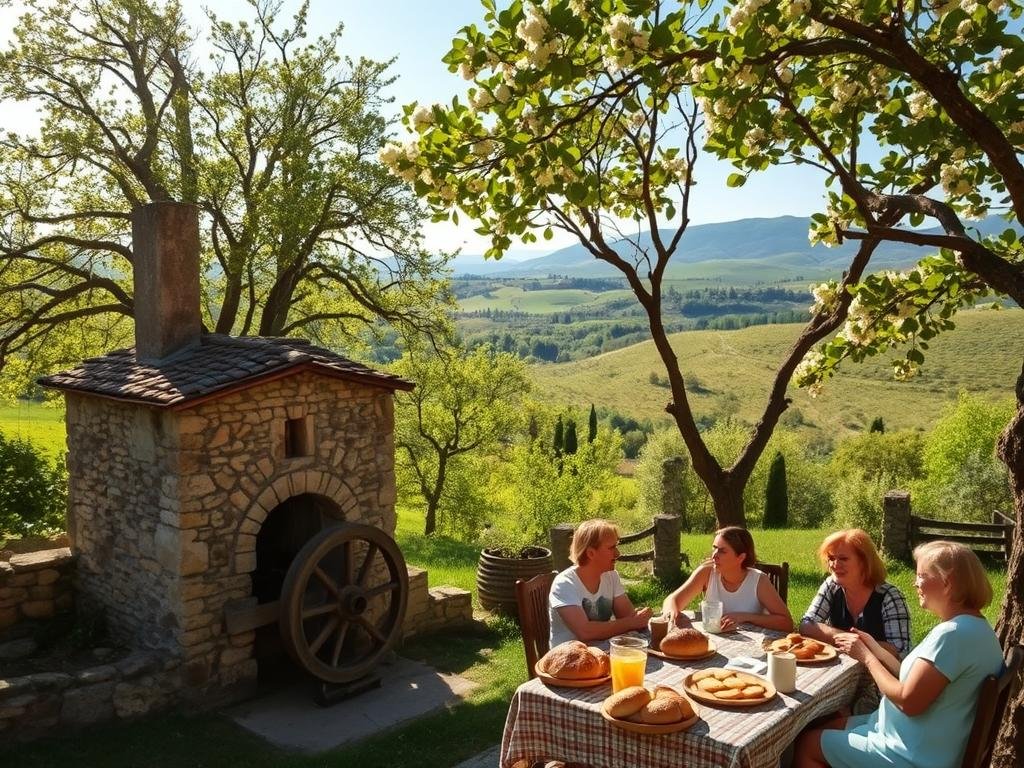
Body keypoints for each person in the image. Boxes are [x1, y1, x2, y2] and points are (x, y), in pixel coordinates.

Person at [795, 541, 1004, 768]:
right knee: (827, 724)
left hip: (910, 754)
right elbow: (916, 681)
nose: (915, 583)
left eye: (922, 575)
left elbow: (907, 702)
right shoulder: (976, 628)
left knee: (808, 744)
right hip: (911, 735)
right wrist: (873, 646)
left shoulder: (953, 636)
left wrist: (867, 658)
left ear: (946, 582)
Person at [800, 529, 911, 659]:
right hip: (839, 668)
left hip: (879, 676)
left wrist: (854, 644)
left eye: (843, 559)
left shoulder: (889, 597)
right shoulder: (831, 585)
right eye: (831, 558)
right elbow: (806, 625)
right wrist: (846, 638)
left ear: (864, 562)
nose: (834, 565)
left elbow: (900, 652)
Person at [660, 526, 793, 632]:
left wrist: (745, 617)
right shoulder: (707, 572)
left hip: (748, 649)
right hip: (713, 642)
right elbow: (672, 600)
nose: (714, 556)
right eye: (714, 548)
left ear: (741, 557)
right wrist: (671, 615)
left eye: (722, 551)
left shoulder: (758, 581)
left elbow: (786, 623)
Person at [548, 519, 653, 646]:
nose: (618, 553)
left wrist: (639, 618)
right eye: (611, 548)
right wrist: (632, 622)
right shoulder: (565, 584)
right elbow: (585, 631)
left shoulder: (611, 576)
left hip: (601, 651)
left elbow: (628, 616)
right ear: (591, 553)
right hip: (568, 659)